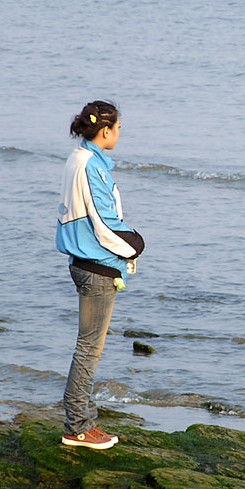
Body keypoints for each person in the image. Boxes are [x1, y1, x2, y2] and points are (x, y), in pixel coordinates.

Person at [55, 100, 144, 449]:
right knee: (89, 349)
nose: (120, 133)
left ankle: (82, 418)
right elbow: (104, 223)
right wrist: (135, 245)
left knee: (88, 347)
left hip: (85, 261)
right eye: (119, 127)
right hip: (95, 267)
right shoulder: (90, 165)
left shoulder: (79, 158)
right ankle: (78, 426)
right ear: (106, 130)